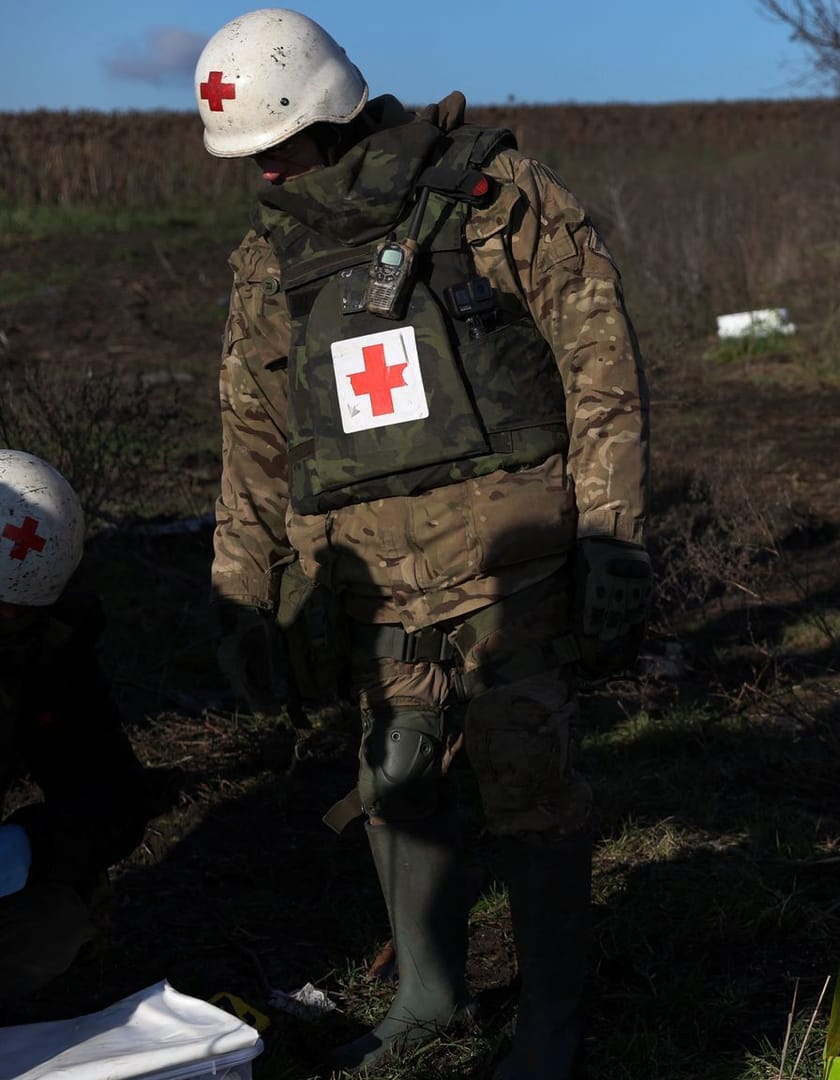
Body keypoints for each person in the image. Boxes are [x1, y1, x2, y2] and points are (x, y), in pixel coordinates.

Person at [194, 9, 652, 1076]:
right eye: (250, 159)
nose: (265, 174)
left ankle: (552, 1022)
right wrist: (243, 593)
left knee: (530, 788)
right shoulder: (272, 263)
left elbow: (601, 365)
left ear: (336, 112)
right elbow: (253, 438)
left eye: (279, 148)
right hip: (369, 584)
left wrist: (615, 533)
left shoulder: (492, 198)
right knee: (396, 782)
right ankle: (428, 997)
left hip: (511, 562)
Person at [0, 450, 161, 1004]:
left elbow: (113, 798)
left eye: (17, 612)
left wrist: (25, 847)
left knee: (53, 928)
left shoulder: (45, 650)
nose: (8, 622)